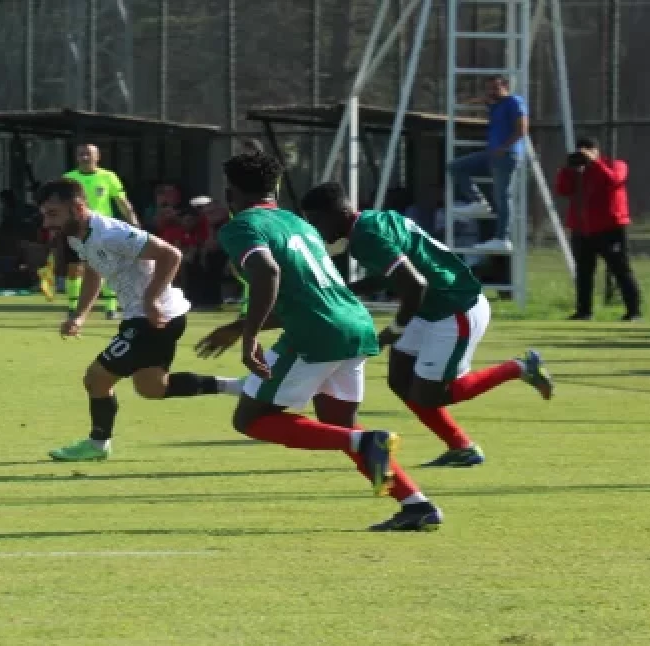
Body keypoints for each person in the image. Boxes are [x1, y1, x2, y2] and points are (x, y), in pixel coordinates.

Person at [196, 151, 441, 532]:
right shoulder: (297, 223)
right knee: (340, 424)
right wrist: (243, 325)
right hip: (354, 324)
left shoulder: (242, 226)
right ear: (275, 188)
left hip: (315, 334)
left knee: (252, 418)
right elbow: (305, 292)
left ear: (231, 194)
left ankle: (370, 447)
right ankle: (415, 504)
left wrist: (249, 336)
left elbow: (267, 271)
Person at [302, 182, 554, 468]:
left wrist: (394, 330)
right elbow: (394, 276)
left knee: (432, 394)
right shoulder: (372, 221)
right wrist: (343, 291)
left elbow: (414, 284)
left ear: (340, 212)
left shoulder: (367, 236)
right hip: (430, 306)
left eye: (317, 221)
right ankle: (461, 447)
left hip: (454, 307)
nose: (316, 229)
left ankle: (518, 369)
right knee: (400, 380)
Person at [39, 178, 242, 463]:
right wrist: (80, 315)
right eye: (45, 214)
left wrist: (151, 300)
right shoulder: (76, 235)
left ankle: (97, 445)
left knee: (96, 378)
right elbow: (95, 272)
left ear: (78, 207)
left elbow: (170, 255)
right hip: (151, 317)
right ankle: (240, 387)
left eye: (53, 214)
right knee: (152, 388)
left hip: (153, 318)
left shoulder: (111, 233)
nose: (48, 223)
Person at [554, 137, 640, 321]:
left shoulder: (616, 165)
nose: (583, 154)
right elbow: (562, 190)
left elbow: (613, 180)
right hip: (582, 229)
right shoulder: (576, 172)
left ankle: (633, 311)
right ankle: (584, 311)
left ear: (596, 150)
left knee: (620, 270)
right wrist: (568, 169)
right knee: (584, 272)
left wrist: (595, 163)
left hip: (610, 228)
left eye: (587, 150)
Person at [448, 76, 529, 252]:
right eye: (489, 89)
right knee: (456, 166)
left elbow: (522, 129)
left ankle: (502, 238)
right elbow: (469, 102)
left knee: (502, 195)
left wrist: (504, 147)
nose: (492, 92)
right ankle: (478, 201)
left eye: (495, 88)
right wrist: (480, 99)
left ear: (506, 86)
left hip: (507, 154)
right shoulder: (496, 105)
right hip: (493, 154)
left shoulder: (514, 101)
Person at [61, 144, 140, 321]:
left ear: (97, 157)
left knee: (107, 265)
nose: (85, 157)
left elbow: (122, 202)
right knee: (75, 268)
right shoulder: (68, 178)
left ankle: (110, 307)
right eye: (81, 154)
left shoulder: (108, 177)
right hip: (75, 230)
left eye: (88, 154)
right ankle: (73, 307)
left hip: (103, 230)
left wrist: (134, 223)